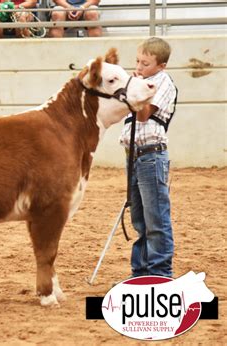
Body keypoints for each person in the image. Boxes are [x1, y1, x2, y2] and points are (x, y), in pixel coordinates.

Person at [119, 37, 178, 278]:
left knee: (156, 219)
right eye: (137, 62)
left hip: (151, 154)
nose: (139, 67)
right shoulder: (141, 82)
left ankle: (160, 274)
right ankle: (141, 272)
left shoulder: (162, 83)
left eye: (145, 63)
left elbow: (143, 115)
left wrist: (137, 87)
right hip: (133, 155)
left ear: (161, 66)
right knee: (139, 220)